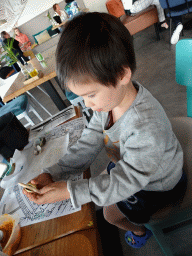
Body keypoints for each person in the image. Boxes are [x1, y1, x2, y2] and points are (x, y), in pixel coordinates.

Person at [23, 12, 187, 249]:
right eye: (82, 97)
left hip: (159, 184)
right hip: (136, 167)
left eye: (90, 95)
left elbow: (127, 181)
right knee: (99, 181)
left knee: (110, 215)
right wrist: (55, 172)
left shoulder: (144, 126)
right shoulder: (108, 101)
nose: (87, 105)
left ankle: (140, 231)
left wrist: (69, 191)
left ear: (122, 74)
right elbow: (91, 139)